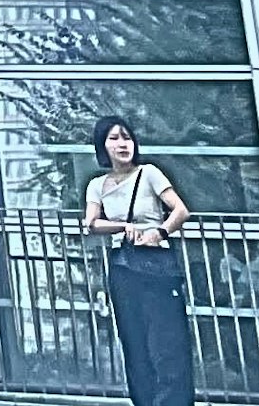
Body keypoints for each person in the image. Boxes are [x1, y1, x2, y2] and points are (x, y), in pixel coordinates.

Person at [83, 115, 195, 406]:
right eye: (114, 138)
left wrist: (159, 232)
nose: (123, 144)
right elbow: (91, 223)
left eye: (127, 137)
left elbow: (180, 210)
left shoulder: (149, 173)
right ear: (102, 145)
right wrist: (122, 227)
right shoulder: (97, 184)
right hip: (123, 266)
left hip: (156, 263)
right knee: (134, 343)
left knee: (167, 343)